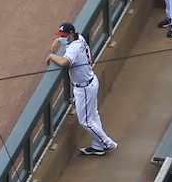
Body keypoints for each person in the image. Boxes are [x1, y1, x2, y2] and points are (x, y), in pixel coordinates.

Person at [45, 23, 118, 156]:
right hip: (90, 81)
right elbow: (67, 41)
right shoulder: (80, 38)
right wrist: (57, 40)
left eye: (64, 36)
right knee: (93, 116)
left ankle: (107, 143)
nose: (62, 38)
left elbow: (64, 62)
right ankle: (98, 146)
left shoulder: (74, 48)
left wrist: (51, 56)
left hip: (84, 88)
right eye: (61, 36)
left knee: (85, 121)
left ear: (71, 35)